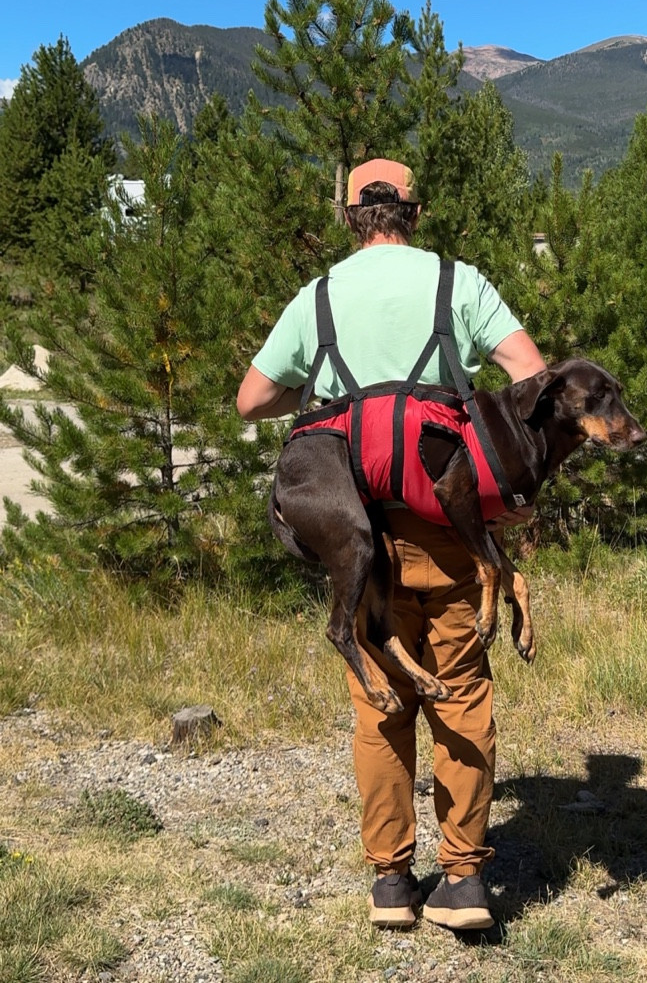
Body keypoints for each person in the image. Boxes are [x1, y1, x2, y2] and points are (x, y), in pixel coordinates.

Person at [237, 158, 545, 932]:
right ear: (414, 211)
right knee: (463, 699)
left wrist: (314, 386)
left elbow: (251, 400)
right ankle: (466, 881)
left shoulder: (318, 297)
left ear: (349, 217)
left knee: (379, 709)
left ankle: (390, 884)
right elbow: (531, 376)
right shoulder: (458, 283)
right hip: (446, 527)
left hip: (357, 532)